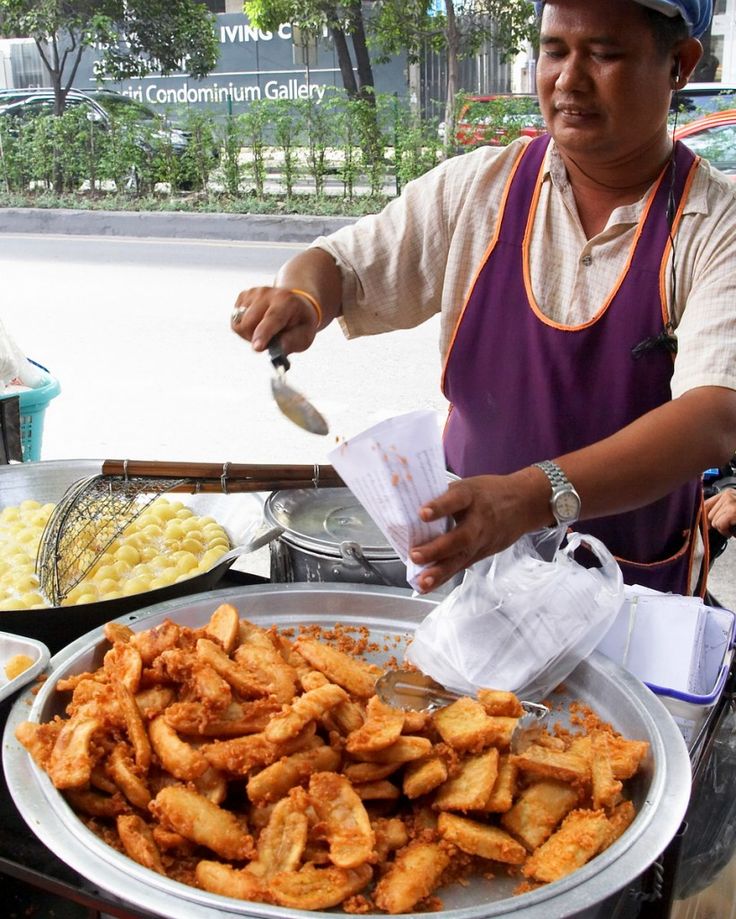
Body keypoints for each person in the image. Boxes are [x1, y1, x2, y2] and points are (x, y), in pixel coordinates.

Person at [231, 0, 736, 597]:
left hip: (628, 590)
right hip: (473, 573)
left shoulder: (714, 224)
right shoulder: (479, 189)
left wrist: (530, 497)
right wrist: (302, 297)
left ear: (679, 64)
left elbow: (714, 417)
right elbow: (337, 264)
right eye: (554, 51)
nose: (568, 79)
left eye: (603, 54)